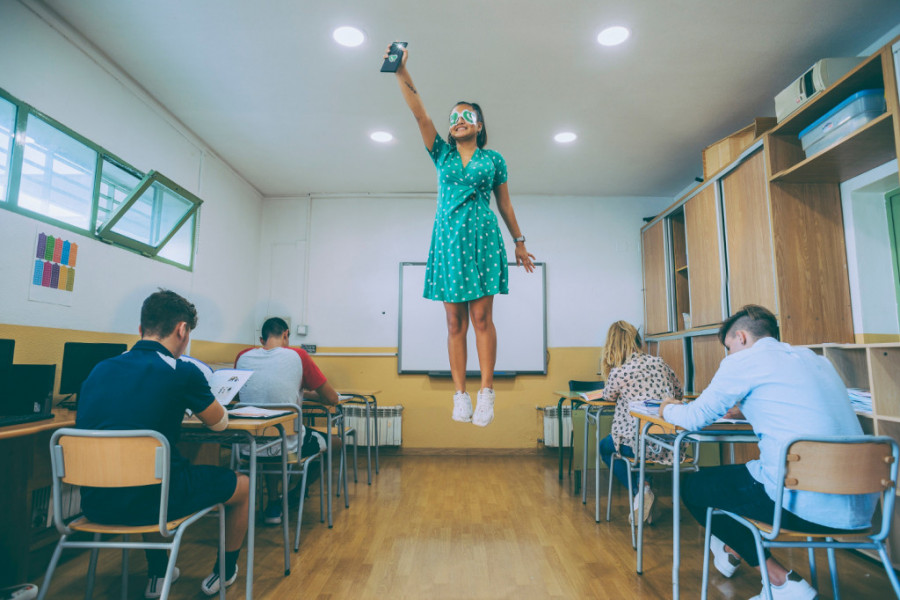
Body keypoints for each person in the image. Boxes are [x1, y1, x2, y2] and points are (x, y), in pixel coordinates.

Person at [659, 305, 876, 600]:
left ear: (742, 337)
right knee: (742, 480)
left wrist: (667, 407)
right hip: (863, 508)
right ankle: (732, 548)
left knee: (696, 486)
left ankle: (781, 581)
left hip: (801, 505)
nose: (730, 355)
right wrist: (747, 408)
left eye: (729, 347)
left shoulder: (743, 362)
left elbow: (693, 418)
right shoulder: (815, 359)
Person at [388, 42, 535, 427]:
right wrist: (402, 70)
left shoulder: (494, 159)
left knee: (482, 318)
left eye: (466, 116)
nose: (458, 120)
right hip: (449, 239)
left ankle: (486, 392)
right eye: (453, 117)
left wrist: (519, 242)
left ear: (479, 124)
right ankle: (460, 395)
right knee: (454, 323)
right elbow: (419, 114)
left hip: (484, 238)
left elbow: (504, 204)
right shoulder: (442, 154)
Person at [76, 290, 250, 598]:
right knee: (242, 484)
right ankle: (225, 570)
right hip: (154, 502)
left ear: (141, 327)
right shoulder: (181, 371)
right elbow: (219, 423)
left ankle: (158, 572)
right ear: (182, 329)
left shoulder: (99, 369)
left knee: (143, 471)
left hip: (95, 503)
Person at [235, 317, 342, 526]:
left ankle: (274, 502)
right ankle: (296, 492)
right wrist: (311, 394)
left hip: (247, 445)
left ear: (261, 339)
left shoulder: (243, 356)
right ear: (286, 335)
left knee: (271, 438)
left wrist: (301, 393)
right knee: (336, 443)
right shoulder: (298, 355)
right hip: (288, 444)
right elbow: (332, 398)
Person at [598, 320, 683, 523]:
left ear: (611, 345)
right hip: (669, 444)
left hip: (635, 444)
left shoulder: (619, 372)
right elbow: (678, 393)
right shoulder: (660, 362)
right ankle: (643, 494)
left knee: (606, 447)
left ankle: (641, 490)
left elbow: (609, 396)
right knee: (638, 452)